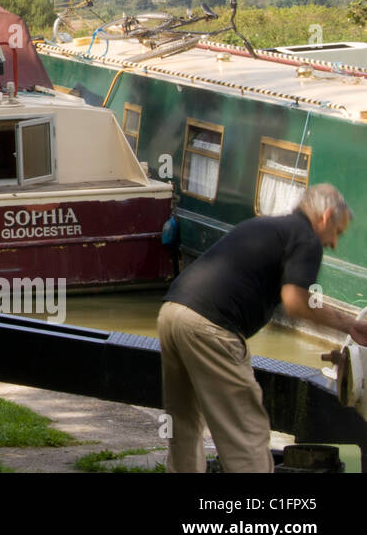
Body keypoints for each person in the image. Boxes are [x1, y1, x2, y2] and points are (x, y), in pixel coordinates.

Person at [157, 184, 367, 472]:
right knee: (247, 431)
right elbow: (295, 302)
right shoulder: (307, 238)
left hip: (172, 311)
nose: (334, 243)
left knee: (184, 422)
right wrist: (350, 324)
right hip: (212, 325)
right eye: (337, 233)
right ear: (326, 216)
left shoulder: (267, 225)